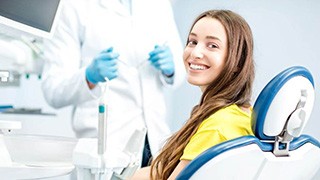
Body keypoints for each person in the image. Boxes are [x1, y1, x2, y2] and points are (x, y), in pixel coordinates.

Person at [41, 0, 185, 167]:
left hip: (155, 141)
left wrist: (171, 68)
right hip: (106, 143)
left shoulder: (159, 4)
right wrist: (88, 77)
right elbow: (53, 88)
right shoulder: (72, 6)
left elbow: (180, 70)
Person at [131, 9, 255, 179]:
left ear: (237, 62)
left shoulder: (217, 127)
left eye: (212, 45)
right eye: (192, 42)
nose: (195, 53)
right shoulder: (240, 112)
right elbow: (163, 171)